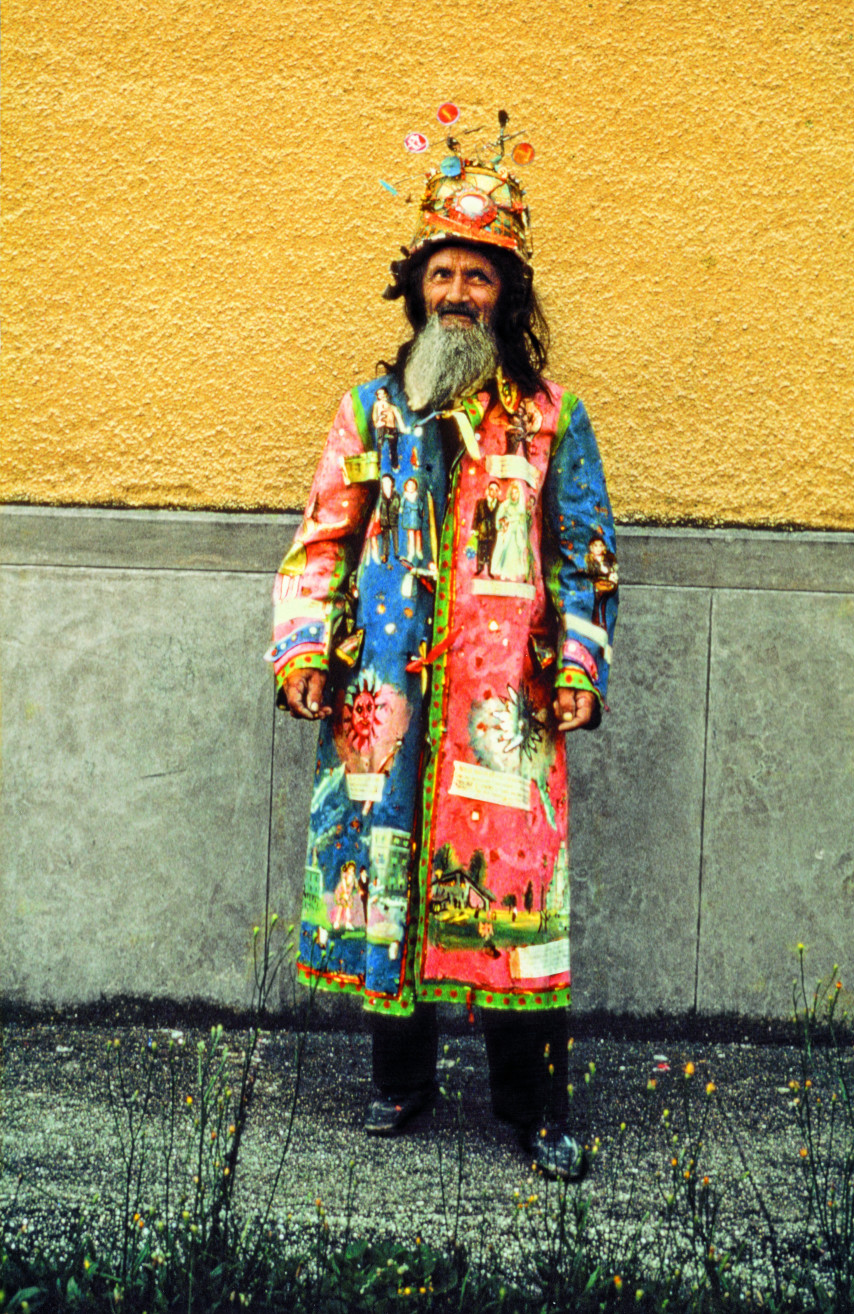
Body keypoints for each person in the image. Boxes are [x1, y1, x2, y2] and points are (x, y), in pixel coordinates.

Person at [266, 129, 618, 1182]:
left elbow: (586, 551)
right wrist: (303, 647)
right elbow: (321, 537)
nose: (457, 292)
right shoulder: (370, 412)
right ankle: (401, 1085)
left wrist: (576, 668)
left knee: (513, 906)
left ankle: (533, 1109)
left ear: (507, 294)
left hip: (505, 704)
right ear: (416, 293)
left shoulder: (552, 420)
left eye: (477, 275)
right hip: (386, 696)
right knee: (390, 878)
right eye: (441, 275)